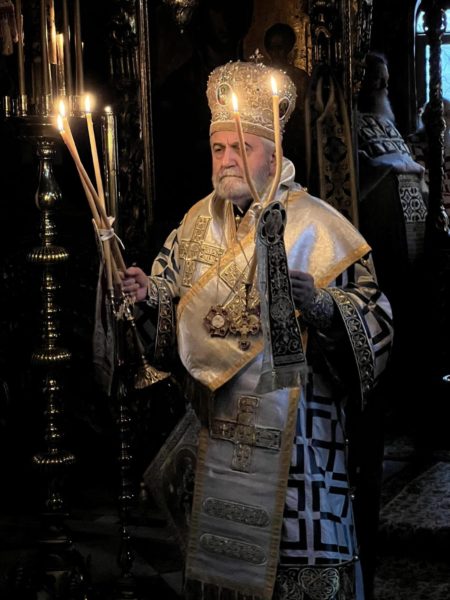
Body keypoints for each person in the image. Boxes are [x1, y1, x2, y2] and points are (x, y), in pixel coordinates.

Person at [122, 61, 393, 600]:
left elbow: (376, 319)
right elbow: (172, 314)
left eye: (241, 148)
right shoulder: (195, 225)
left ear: (273, 153)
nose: (226, 160)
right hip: (218, 435)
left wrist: (322, 307)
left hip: (300, 447)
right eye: (218, 148)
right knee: (222, 573)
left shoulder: (320, 227)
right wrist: (149, 295)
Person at [264, 22, 310, 184]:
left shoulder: (300, 77)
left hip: (293, 139)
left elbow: (305, 111)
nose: (276, 53)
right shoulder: (260, 76)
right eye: (272, 48)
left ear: (289, 47)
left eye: (280, 47)